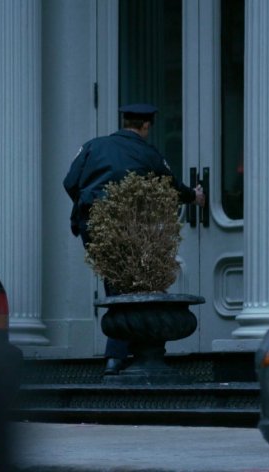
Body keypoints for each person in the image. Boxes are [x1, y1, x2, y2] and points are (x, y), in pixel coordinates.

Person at [63, 103, 205, 375]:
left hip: (92, 222)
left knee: (116, 284)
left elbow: (70, 181)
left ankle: (120, 355)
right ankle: (119, 358)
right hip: (128, 223)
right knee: (129, 288)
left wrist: (88, 205)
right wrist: (195, 197)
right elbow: (170, 185)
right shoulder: (147, 152)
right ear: (146, 126)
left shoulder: (92, 146)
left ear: (124, 121)